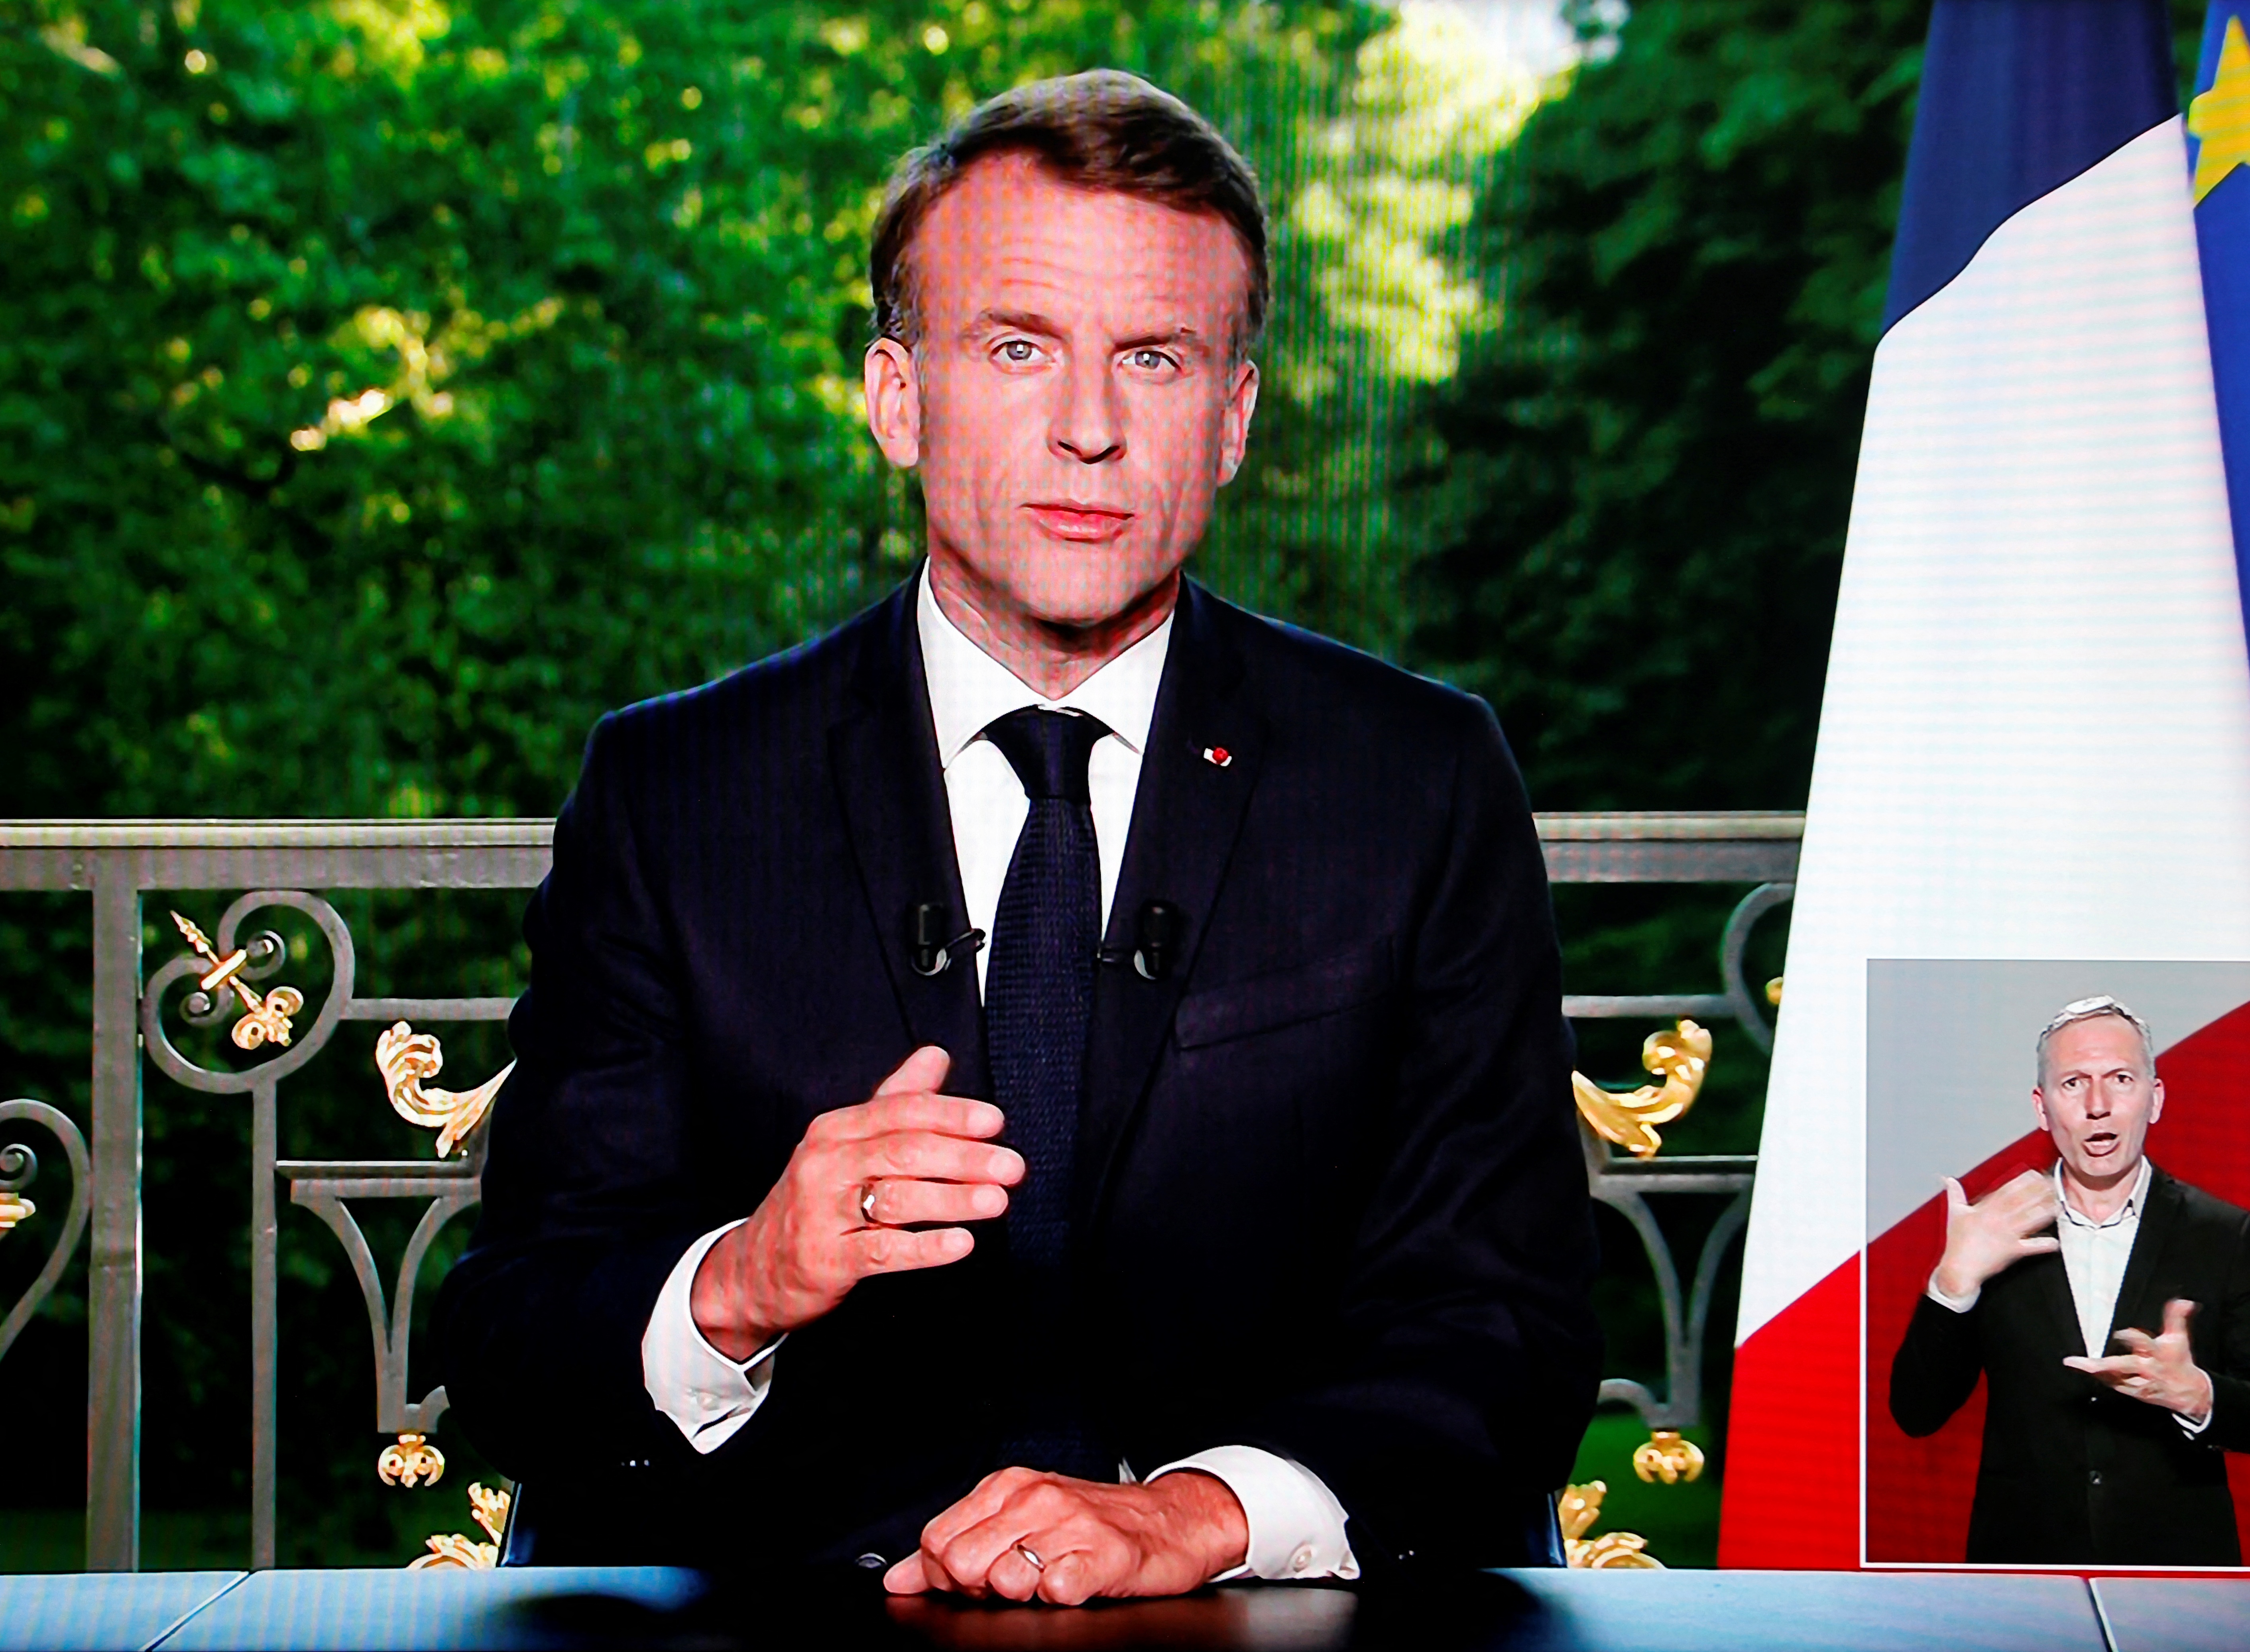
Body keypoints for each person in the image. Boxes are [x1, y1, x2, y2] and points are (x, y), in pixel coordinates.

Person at [435, 70, 1600, 1604]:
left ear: (1232, 419)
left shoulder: (1415, 781)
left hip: (1247, 1617)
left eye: (1154, 359)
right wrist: (741, 1282)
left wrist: (1200, 1513)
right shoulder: (677, 790)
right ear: (894, 397)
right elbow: (512, 1343)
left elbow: (1510, 1328)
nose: (1090, 429)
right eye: (1016, 347)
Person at [1888, 995, 2250, 1565]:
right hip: (2025, 1576)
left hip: (2179, 1577)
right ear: (2042, 1108)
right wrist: (1952, 1284)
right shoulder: (1997, 1230)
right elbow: (1916, 1413)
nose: (2098, 1106)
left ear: (2155, 1099)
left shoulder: (2222, 1234)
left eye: (2120, 1079)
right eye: (2073, 1084)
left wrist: (2198, 1395)